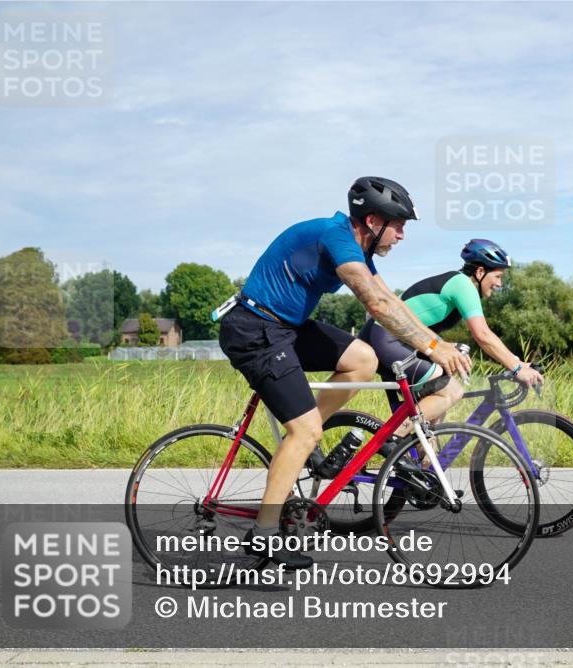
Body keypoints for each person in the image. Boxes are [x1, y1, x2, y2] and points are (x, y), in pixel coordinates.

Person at [217, 176, 471, 568]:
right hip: (255, 328)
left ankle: (302, 441)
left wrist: (439, 344)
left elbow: (390, 299)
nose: (402, 235)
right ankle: (265, 532)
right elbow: (376, 306)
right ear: (373, 221)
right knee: (304, 430)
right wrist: (434, 348)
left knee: (364, 359)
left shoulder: (357, 248)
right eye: (399, 225)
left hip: (286, 327)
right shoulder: (337, 237)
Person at [359, 239, 544, 440]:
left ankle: (421, 466)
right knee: (451, 392)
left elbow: (422, 322)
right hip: (387, 338)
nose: (500, 284)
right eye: (498, 276)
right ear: (480, 272)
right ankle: (388, 440)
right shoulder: (463, 284)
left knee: (435, 416)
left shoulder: (457, 283)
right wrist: (516, 368)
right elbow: (483, 335)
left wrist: (518, 362)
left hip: (396, 339)